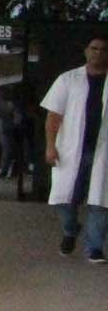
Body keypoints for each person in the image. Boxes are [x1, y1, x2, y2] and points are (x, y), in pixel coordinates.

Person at [41, 35, 108, 260]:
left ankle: (95, 248)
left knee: (100, 200)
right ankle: (71, 229)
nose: (98, 53)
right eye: (94, 48)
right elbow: (53, 116)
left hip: (102, 151)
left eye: (103, 50)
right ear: (86, 51)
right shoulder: (68, 79)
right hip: (71, 150)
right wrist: (50, 146)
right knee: (64, 199)